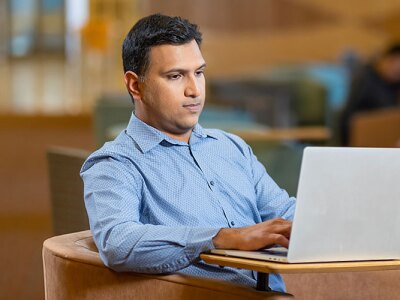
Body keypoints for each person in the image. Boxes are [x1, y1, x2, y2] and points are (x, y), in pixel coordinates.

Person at [80, 14, 295, 292]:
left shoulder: (231, 147)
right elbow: (118, 242)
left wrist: (331, 216)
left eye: (199, 73)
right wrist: (219, 238)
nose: (194, 90)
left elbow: (283, 212)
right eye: (175, 76)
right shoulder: (115, 163)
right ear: (135, 85)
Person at [340, 43, 400, 145]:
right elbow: (349, 118)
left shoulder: (394, 84)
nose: (396, 73)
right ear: (385, 59)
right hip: (366, 137)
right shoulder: (364, 80)